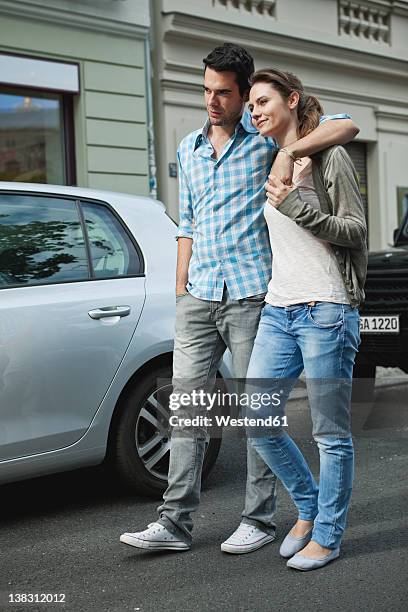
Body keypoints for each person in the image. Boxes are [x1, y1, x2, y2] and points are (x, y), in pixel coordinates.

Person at [120, 43, 359, 554]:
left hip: (254, 292)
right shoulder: (189, 148)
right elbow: (188, 220)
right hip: (201, 292)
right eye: (206, 90)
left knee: (261, 416)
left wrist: (292, 150)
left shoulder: (267, 137)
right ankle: (175, 522)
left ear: (245, 91)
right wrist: (181, 285)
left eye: (224, 93)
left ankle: (260, 517)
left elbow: (342, 123)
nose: (213, 101)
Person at [244, 68, 367, 570]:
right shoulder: (269, 158)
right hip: (279, 308)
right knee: (257, 418)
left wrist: (296, 204)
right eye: (249, 104)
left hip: (327, 309)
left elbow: (355, 231)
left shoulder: (328, 156)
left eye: (262, 101)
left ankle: (329, 535)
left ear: (292, 100)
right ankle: (309, 508)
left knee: (330, 434)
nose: (254, 111)